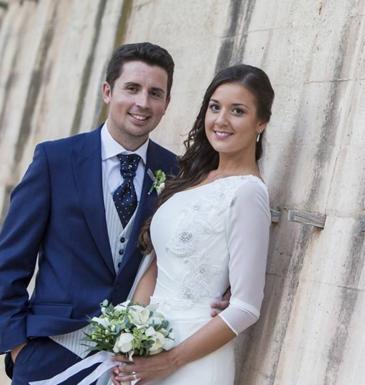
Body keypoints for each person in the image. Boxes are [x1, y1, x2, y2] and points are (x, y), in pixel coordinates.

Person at [0, 42, 225, 385]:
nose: (142, 103)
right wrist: (19, 347)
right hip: (50, 351)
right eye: (132, 88)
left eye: (155, 93)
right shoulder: (55, 160)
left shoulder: (177, 175)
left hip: (129, 367)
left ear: (166, 103)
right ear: (108, 91)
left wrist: (223, 290)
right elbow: (9, 261)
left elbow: (191, 249)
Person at [111, 64, 273, 385]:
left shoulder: (248, 192)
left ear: (260, 123)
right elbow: (157, 267)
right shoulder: (192, 179)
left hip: (193, 358)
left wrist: (170, 361)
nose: (221, 120)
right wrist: (131, 337)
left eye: (237, 111)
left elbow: (245, 307)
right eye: (215, 107)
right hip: (147, 350)